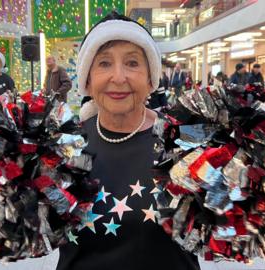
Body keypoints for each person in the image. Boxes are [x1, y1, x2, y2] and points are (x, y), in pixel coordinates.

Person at [61, 11, 200, 270]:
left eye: (133, 63)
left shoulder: (186, 141)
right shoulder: (62, 145)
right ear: (87, 80)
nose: (118, 77)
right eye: (103, 63)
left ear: (151, 79)